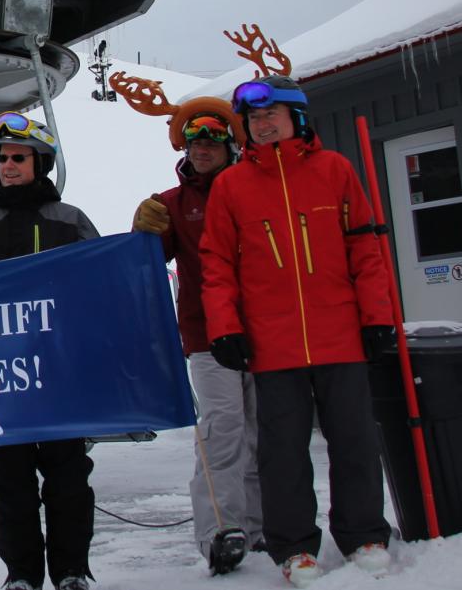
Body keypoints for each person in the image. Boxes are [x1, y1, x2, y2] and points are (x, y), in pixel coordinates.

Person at [199, 76, 395, 587]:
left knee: (354, 441)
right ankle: (294, 547)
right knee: (281, 452)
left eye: (271, 115)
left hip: (340, 334)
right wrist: (225, 328)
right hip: (273, 343)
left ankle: (364, 535)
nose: (262, 124)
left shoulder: (335, 170)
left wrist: (377, 317)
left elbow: (365, 249)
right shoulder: (231, 186)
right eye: (254, 118)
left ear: (297, 118)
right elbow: (217, 264)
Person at [0, 113, 99, 590]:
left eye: (18, 158)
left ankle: (71, 571)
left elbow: (101, 287)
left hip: (60, 374)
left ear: (40, 163)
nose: (8, 166)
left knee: (68, 478)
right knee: (10, 482)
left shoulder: (70, 220)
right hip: (1, 378)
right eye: (3, 158)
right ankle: (21, 574)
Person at [132, 109, 263, 574]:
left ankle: (262, 526)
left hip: (267, 331)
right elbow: (147, 261)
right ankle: (220, 531)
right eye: (195, 143)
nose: (202, 150)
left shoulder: (255, 190)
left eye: (211, 141)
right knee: (223, 427)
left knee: (264, 431)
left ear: (230, 146)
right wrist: (142, 230)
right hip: (208, 335)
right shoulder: (173, 203)